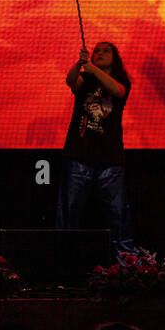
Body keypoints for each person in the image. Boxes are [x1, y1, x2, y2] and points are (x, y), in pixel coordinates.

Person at [57, 41, 138, 260]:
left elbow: (117, 91)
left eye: (106, 50)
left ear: (115, 58)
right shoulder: (87, 78)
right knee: (70, 210)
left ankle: (126, 262)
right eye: (96, 51)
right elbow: (71, 80)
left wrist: (91, 68)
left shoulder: (120, 79)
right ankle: (64, 260)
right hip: (78, 154)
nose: (100, 53)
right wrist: (80, 64)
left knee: (118, 212)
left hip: (110, 157)